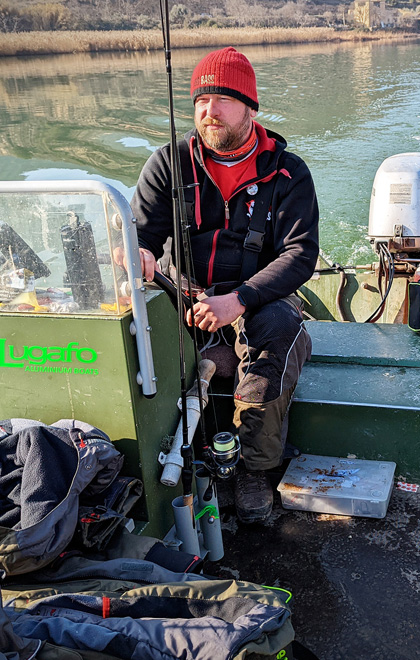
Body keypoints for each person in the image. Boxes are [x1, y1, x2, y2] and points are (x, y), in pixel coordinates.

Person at [131, 47, 319, 523]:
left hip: (259, 297)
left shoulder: (288, 172)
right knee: (131, 331)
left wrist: (239, 299)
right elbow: (140, 234)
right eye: (201, 101)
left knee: (277, 330)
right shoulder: (168, 163)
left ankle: (255, 468)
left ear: (250, 108)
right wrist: (137, 252)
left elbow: (300, 254)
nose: (209, 111)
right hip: (184, 296)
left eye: (223, 100)